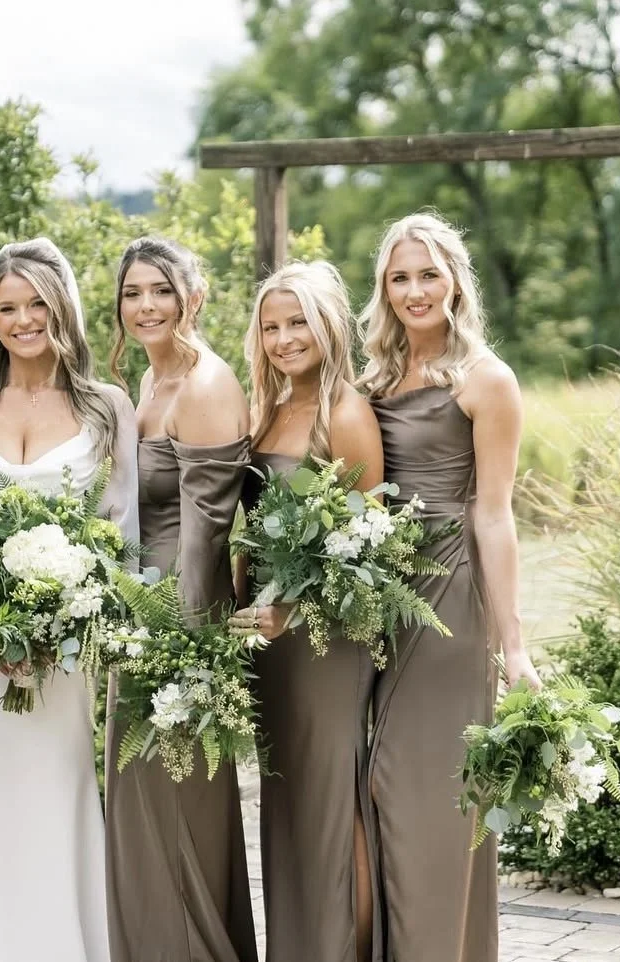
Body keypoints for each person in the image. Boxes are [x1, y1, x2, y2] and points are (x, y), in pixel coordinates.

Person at [0, 238, 138, 962]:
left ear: (61, 308)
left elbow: (119, 532)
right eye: (6, 308)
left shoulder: (106, 407)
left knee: (58, 786)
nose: (21, 320)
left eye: (36, 303)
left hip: (65, 649)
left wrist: (65, 622)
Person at [358, 211, 541, 962]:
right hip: (376, 599)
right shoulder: (371, 377)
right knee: (378, 792)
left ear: (455, 281)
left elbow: (493, 516)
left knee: (430, 796)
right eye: (399, 278)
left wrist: (515, 644)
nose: (413, 291)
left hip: (449, 603)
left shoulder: (487, 380)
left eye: (428, 274)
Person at [103, 236, 257, 962]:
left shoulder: (204, 385)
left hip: (178, 634)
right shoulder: (147, 382)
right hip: (139, 623)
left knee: (177, 817)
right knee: (141, 817)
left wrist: (186, 664)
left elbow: (206, 540)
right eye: (133, 293)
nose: (145, 306)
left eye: (160, 290)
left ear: (194, 296)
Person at [230, 259, 383, 962]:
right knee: (285, 807)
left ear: (328, 325)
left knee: (331, 807)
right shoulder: (268, 407)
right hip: (265, 638)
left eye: (297, 323)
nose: (284, 338)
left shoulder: (344, 412)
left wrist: (292, 611)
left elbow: (369, 545)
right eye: (271, 326)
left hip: (323, 640)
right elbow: (253, 524)